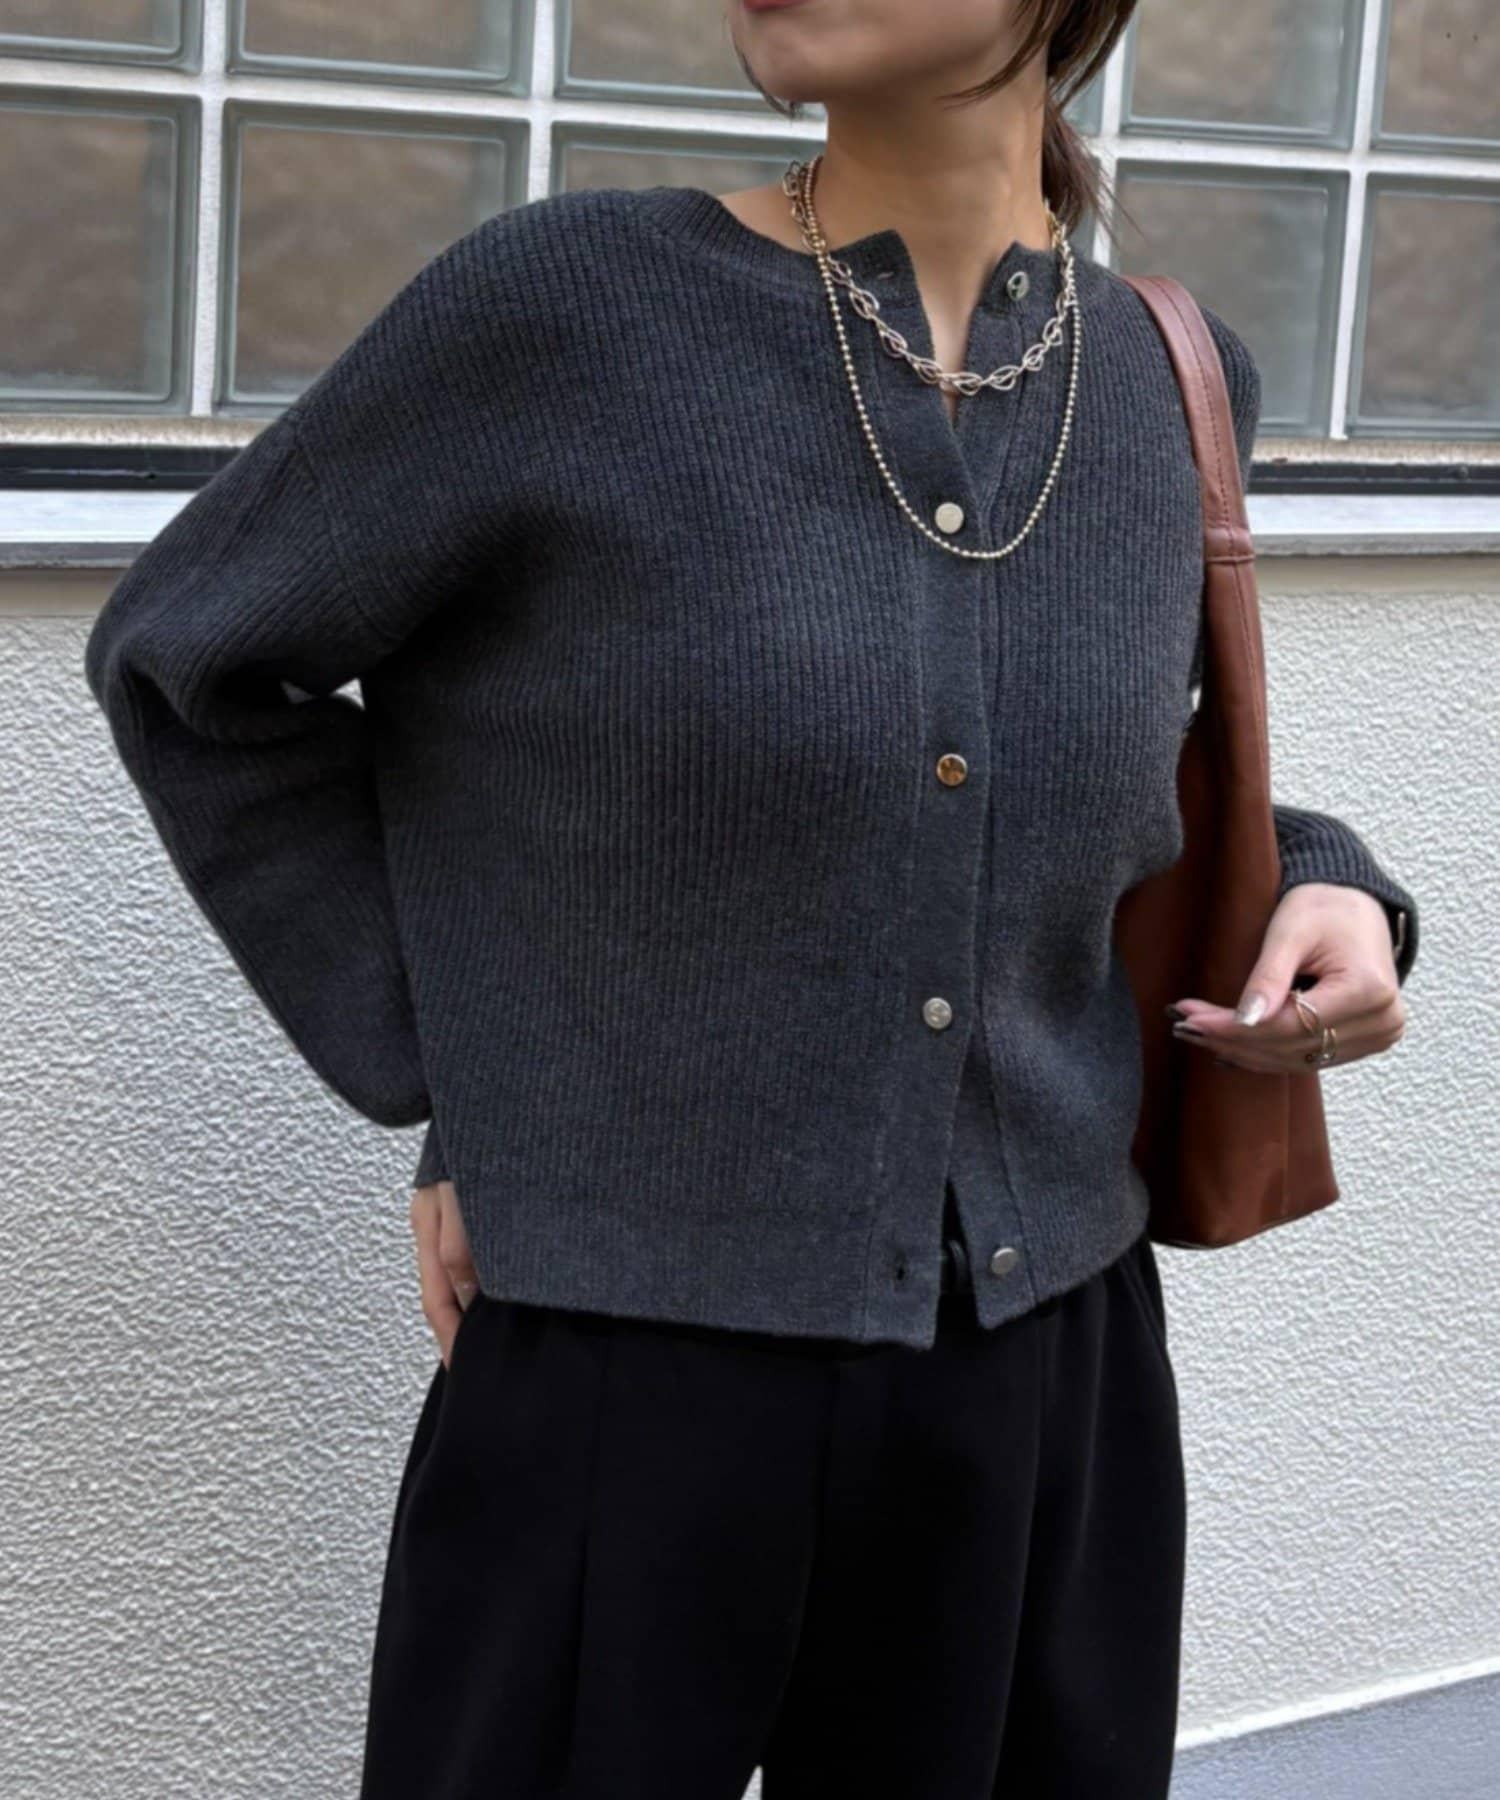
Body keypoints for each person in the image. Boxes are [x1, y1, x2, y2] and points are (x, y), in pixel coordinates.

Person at [83, 1, 1418, 1794]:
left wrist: (1331, 885)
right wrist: (481, 1087)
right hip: (629, 1372)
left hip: (1040, 1371)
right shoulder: (571, 311)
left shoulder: (1174, 381)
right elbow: (194, 668)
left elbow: (1092, 760)